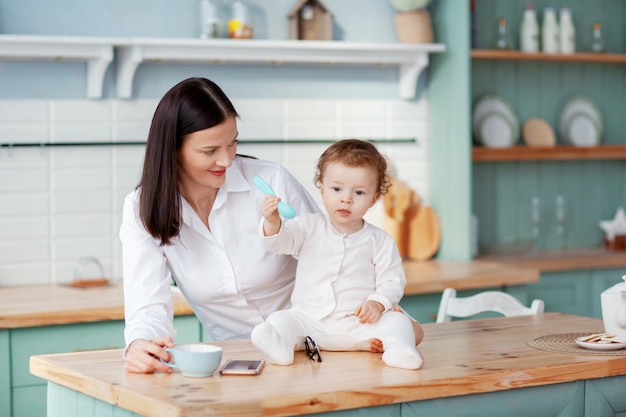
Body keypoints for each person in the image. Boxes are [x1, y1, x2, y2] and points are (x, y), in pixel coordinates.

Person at [119, 78, 421, 375]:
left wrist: (391, 317)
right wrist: (140, 344)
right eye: (210, 150)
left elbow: (338, 250)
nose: (226, 160)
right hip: (238, 359)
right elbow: (146, 304)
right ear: (173, 149)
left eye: (232, 143)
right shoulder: (141, 209)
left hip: (321, 348)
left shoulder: (270, 181)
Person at [251, 139, 424, 370]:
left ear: (373, 198)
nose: (346, 199)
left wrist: (378, 303)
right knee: (280, 320)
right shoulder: (308, 226)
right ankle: (280, 347)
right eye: (336, 189)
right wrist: (273, 222)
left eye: (359, 192)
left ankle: (400, 350)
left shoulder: (380, 240)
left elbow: (392, 281)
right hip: (310, 322)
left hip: (358, 325)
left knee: (398, 322)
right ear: (322, 188)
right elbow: (280, 243)